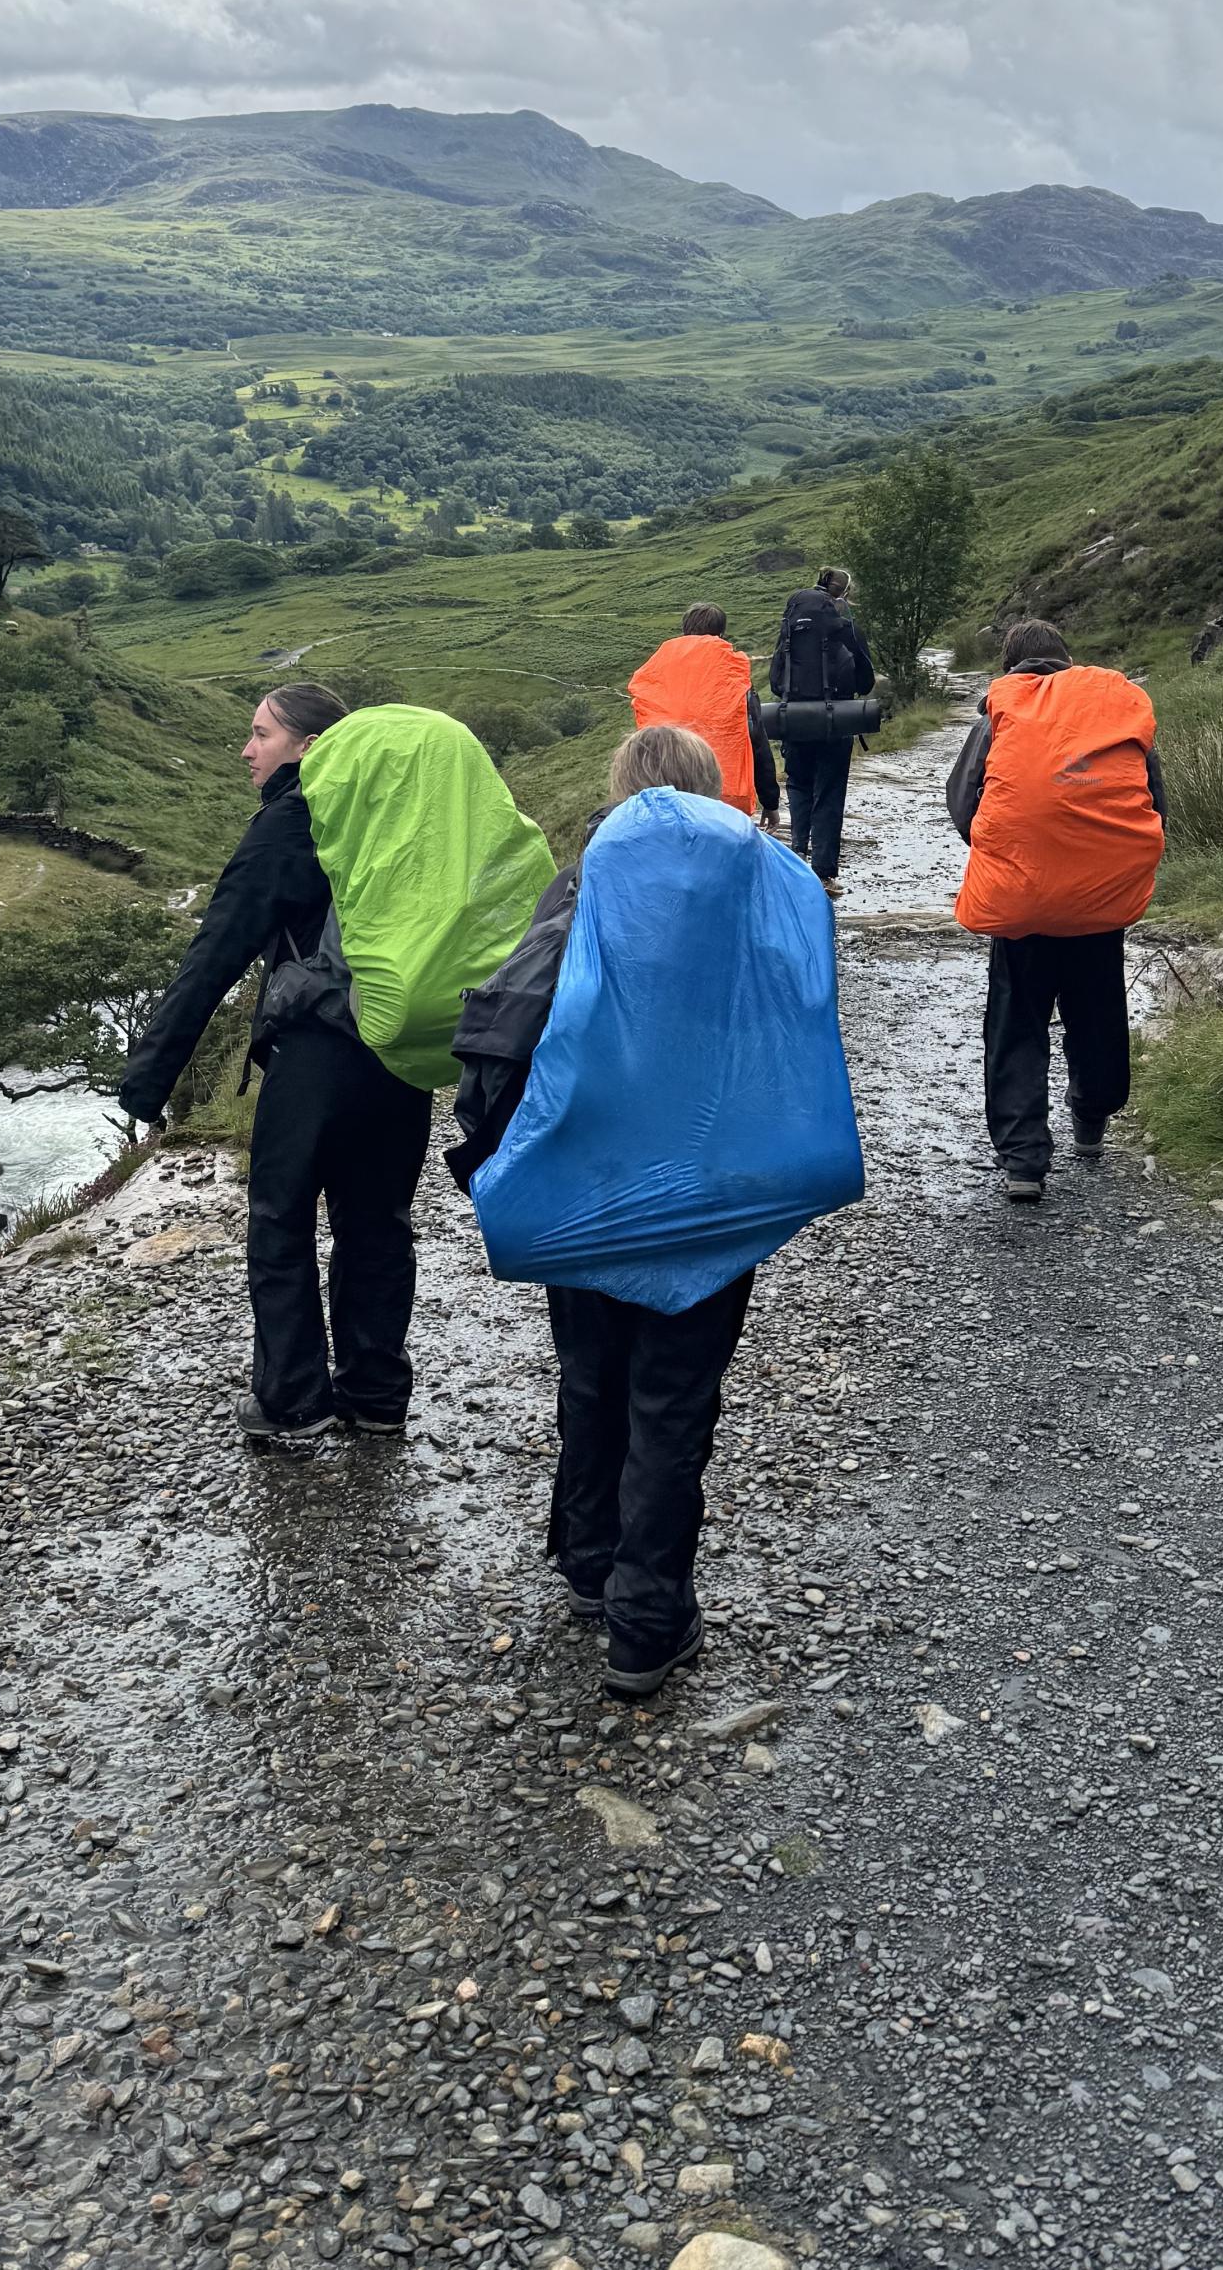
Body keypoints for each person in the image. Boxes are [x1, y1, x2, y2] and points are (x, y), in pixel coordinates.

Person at [449, 723, 860, 1699]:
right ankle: (647, 1624)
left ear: (621, 793)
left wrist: (495, 1168)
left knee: (591, 1381)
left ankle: (590, 1567)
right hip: (714, 1204)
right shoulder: (761, 886)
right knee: (673, 1407)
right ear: (714, 791)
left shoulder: (590, 882)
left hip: (586, 1195)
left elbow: (508, 1026)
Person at [117, 681, 431, 1445]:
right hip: (399, 1048)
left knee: (280, 1217)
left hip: (316, 1049)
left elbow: (215, 951)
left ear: (309, 747)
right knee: (378, 1221)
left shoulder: (294, 821)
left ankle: (294, 1401)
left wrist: (149, 1078)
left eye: (261, 734)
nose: (246, 749)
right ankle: (377, 1393)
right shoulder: (404, 816)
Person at [948, 617, 1166, 1204]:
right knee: (1096, 1009)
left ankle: (1024, 1163)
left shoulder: (999, 716)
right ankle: (1091, 1123)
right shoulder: (1111, 713)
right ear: (1067, 661)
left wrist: (1012, 854)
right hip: (1099, 904)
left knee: (1017, 1018)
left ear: (1009, 666)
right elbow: (1154, 804)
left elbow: (964, 804)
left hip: (1020, 903)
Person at [768, 565, 875, 891]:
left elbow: (775, 683)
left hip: (795, 723)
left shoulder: (790, 630)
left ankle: (797, 854)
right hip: (835, 723)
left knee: (799, 787)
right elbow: (866, 681)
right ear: (843, 592)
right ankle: (824, 873)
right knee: (828, 794)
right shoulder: (847, 627)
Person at [627, 601, 779, 823]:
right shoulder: (732, 671)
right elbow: (755, 738)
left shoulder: (655, 669)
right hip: (722, 799)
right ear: (721, 633)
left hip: (664, 797)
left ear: (685, 630)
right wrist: (770, 801)